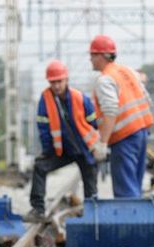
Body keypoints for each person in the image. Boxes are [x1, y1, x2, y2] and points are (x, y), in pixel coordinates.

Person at [26, 60, 100, 223]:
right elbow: (43, 128)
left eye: (59, 81)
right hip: (61, 151)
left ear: (66, 80)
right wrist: (47, 151)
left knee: (90, 184)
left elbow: (94, 122)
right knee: (40, 166)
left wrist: (98, 145)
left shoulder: (80, 98)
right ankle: (38, 209)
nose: (56, 85)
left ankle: (92, 214)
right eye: (53, 82)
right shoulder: (45, 100)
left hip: (84, 149)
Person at [89, 35, 154, 198]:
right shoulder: (128, 71)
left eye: (92, 55)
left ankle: (130, 222)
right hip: (142, 134)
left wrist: (102, 143)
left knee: (126, 192)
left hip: (124, 138)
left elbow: (111, 110)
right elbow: (147, 99)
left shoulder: (105, 80)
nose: (90, 60)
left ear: (101, 56)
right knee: (134, 185)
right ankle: (138, 221)